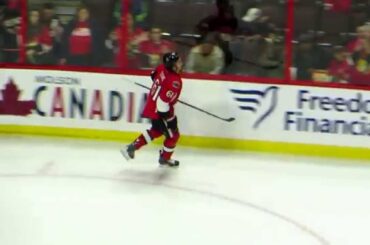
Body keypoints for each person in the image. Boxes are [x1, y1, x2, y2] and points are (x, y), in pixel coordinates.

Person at [121, 52, 183, 167]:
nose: (181, 63)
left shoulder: (162, 67)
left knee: (157, 130)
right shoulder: (174, 81)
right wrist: (170, 120)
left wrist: (163, 88)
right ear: (173, 65)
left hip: (152, 106)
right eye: (178, 62)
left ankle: (132, 146)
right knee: (173, 135)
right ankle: (165, 158)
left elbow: (153, 75)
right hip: (159, 111)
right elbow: (163, 103)